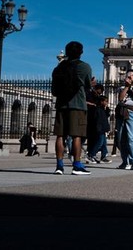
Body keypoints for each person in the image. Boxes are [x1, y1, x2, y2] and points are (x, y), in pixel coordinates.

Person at [52, 41, 93, 175]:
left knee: (60, 136)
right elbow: (88, 86)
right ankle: (77, 165)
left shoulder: (58, 68)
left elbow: (54, 90)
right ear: (81, 53)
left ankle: (59, 166)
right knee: (77, 136)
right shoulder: (85, 67)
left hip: (61, 105)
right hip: (78, 105)